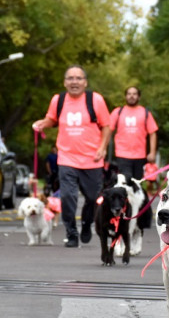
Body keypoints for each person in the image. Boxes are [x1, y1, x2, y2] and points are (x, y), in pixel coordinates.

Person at [32, 65, 112, 248]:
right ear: (64, 82)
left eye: (78, 78)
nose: (74, 81)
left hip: (92, 158)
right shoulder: (58, 100)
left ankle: (86, 223)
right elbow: (52, 119)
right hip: (66, 157)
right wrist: (42, 124)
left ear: (85, 82)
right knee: (68, 196)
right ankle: (71, 232)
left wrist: (102, 147)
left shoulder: (95, 100)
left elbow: (106, 126)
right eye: (70, 78)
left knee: (93, 198)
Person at [109, 86, 159, 180]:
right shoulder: (118, 112)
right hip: (122, 154)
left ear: (139, 97)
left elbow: (152, 133)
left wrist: (152, 152)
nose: (131, 96)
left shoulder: (145, 112)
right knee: (125, 180)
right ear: (125, 96)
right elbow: (108, 130)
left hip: (140, 155)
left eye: (134, 94)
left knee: (136, 183)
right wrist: (102, 149)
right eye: (129, 94)